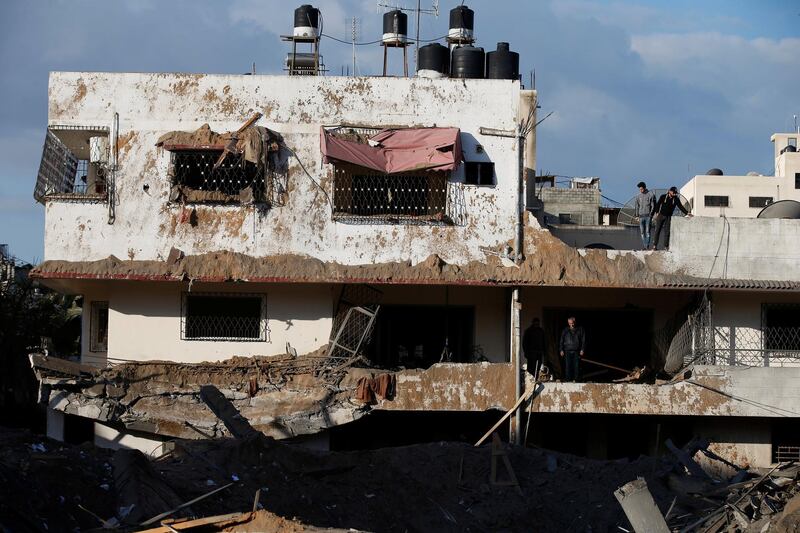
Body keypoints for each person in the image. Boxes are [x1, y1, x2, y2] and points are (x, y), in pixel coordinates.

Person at [651, 186, 692, 250]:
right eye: (674, 192)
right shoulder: (663, 196)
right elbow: (658, 204)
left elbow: (680, 206)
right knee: (657, 230)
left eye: (675, 193)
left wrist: (687, 213)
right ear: (670, 191)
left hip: (668, 217)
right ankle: (654, 245)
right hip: (661, 215)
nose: (674, 194)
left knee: (667, 232)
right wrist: (657, 212)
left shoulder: (676, 199)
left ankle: (666, 246)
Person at [559, 316, 585, 382]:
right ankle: (568, 379)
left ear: (575, 322)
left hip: (576, 350)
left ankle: (576, 379)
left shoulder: (580, 329)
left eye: (572, 323)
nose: (571, 324)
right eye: (570, 323)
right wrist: (561, 349)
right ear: (568, 323)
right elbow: (561, 340)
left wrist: (582, 349)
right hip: (567, 350)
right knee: (568, 366)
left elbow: (583, 340)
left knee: (576, 366)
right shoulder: (565, 330)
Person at [634, 181, 656, 249]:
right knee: (642, 233)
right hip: (641, 217)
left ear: (645, 188)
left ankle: (646, 246)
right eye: (639, 189)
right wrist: (636, 215)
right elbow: (637, 206)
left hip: (648, 216)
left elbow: (653, 206)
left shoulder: (651, 195)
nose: (640, 190)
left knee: (647, 232)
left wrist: (651, 214)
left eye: (641, 189)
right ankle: (645, 246)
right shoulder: (638, 196)